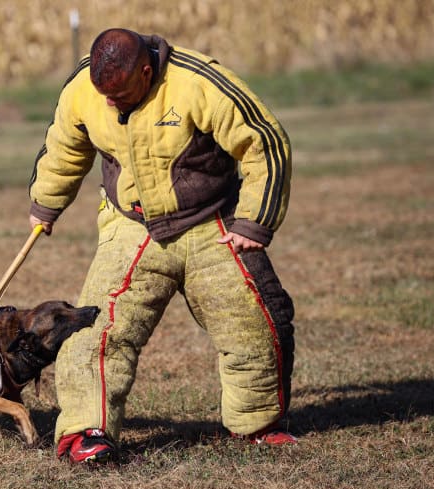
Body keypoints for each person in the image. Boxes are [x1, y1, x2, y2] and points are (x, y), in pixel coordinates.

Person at [28, 28, 296, 464]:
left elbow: (263, 141)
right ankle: (85, 434)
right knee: (93, 332)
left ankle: (256, 425)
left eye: (120, 93)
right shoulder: (83, 88)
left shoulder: (199, 82)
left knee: (257, 325)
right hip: (131, 225)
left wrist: (253, 221)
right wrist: (45, 203)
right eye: (104, 95)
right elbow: (65, 145)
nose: (110, 103)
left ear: (148, 70)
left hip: (215, 222)